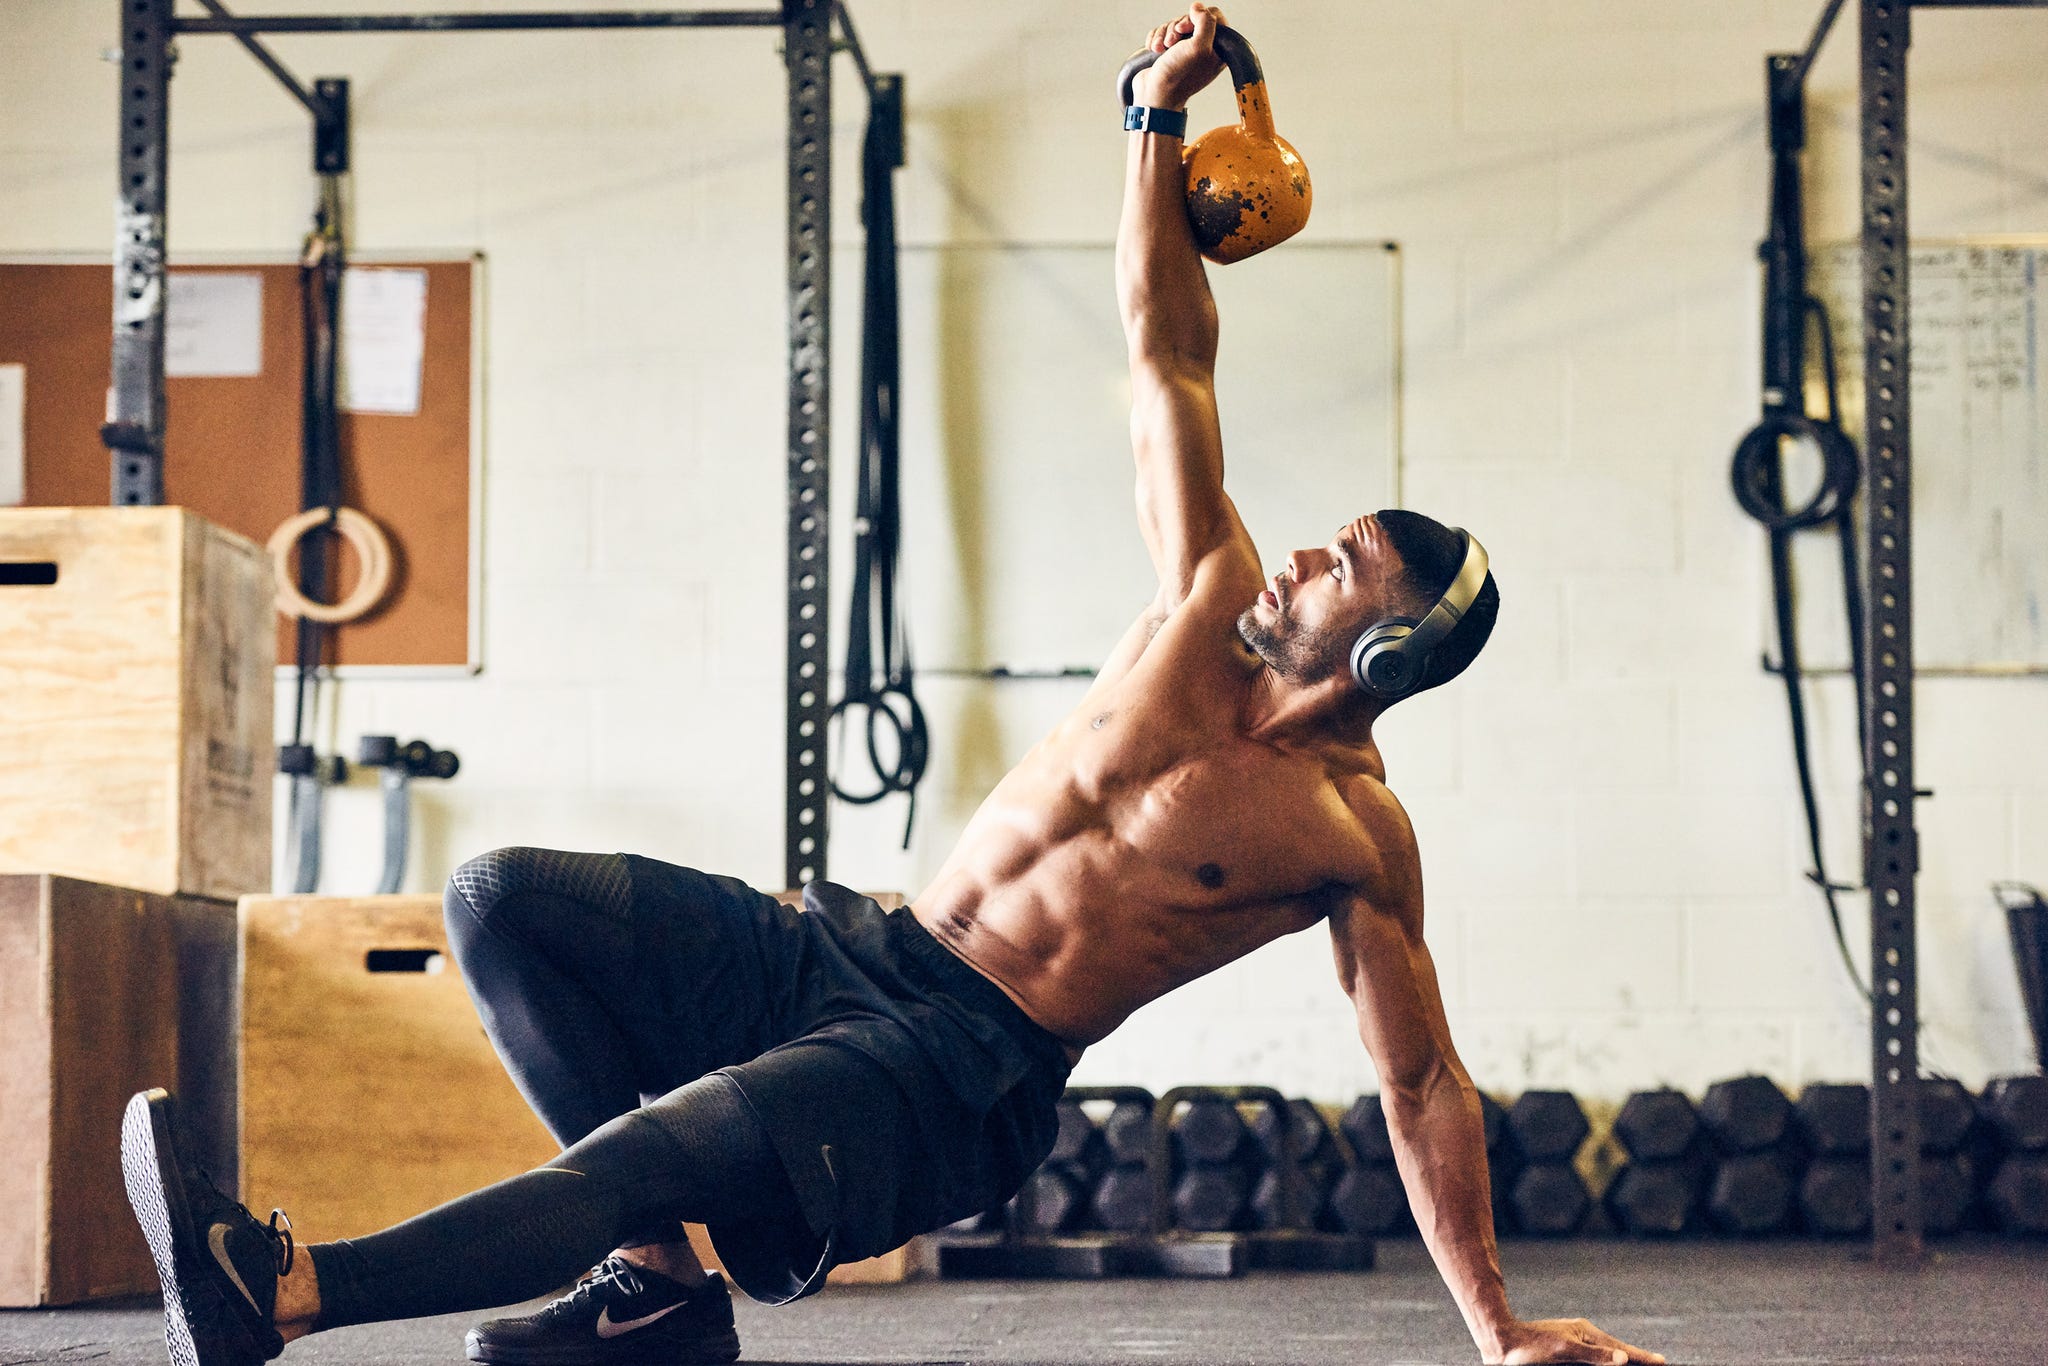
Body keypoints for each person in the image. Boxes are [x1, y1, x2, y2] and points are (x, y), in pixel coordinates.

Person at [121, 7, 1661, 1365]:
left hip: (953, 1071)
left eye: (1340, 566)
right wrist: (1155, 114)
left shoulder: (1348, 835)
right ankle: (655, 1292)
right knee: (509, 897)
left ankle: (287, 1290)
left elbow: (1421, 1079)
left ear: (1385, 652)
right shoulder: (1203, 598)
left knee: (653, 1146)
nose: (1299, 560)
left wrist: (1498, 1330)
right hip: (862, 949)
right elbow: (1166, 351)